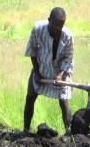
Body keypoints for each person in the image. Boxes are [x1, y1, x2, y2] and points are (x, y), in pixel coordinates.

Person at [23, 7, 74, 135]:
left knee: (64, 99)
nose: (58, 28)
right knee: (30, 96)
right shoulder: (38, 29)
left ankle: (69, 133)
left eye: (61, 25)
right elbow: (32, 51)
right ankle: (26, 129)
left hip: (60, 69)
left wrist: (61, 75)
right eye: (55, 24)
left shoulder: (67, 35)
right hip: (41, 66)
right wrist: (37, 72)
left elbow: (68, 57)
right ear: (49, 20)